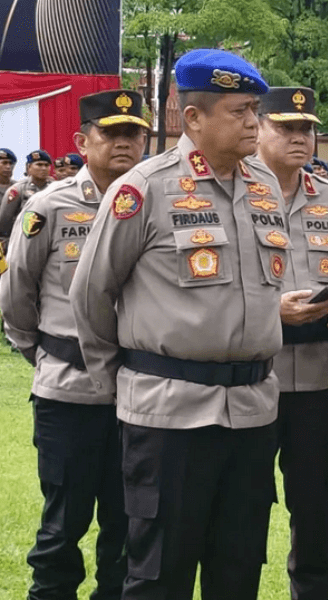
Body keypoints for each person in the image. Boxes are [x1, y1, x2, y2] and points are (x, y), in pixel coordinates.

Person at [70, 49, 285, 600]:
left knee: (238, 569)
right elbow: (91, 293)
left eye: (254, 111)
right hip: (169, 416)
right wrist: (119, 381)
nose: (252, 123)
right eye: (239, 111)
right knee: (160, 574)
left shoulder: (264, 186)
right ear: (193, 118)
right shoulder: (144, 189)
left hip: (253, 414)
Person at [0, 89, 149, 600]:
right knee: (63, 523)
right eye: (112, 133)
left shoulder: (155, 205)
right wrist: (44, 355)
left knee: (129, 524)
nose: (125, 143)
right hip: (69, 393)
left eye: (135, 133)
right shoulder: (48, 207)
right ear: (82, 141)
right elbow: (17, 295)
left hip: (139, 395)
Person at [256, 86, 328, 600]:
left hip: (318, 374)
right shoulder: (237, 190)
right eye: (287, 128)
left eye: (307, 129)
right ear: (258, 128)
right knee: (245, 504)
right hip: (253, 376)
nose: (300, 138)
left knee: (314, 502)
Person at [1, 150, 53, 253]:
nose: (43, 168)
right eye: (39, 165)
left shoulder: (55, 188)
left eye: (46, 165)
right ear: (29, 167)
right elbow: (4, 223)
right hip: (22, 244)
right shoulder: (17, 190)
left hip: (49, 243)